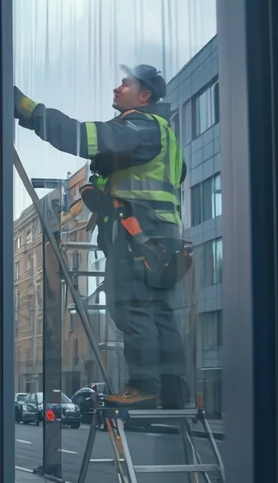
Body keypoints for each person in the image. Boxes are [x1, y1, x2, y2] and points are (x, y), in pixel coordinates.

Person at [13, 64, 189, 409]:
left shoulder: (139, 127)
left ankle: (143, 386)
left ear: (145, 95)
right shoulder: (164, 135)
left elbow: (79, 135)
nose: (116, 88)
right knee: (160, 313)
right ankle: (172, 389)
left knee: (133, 308)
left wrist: (27, 109)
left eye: (125, 84)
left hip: (139, 235)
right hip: (163, 237)